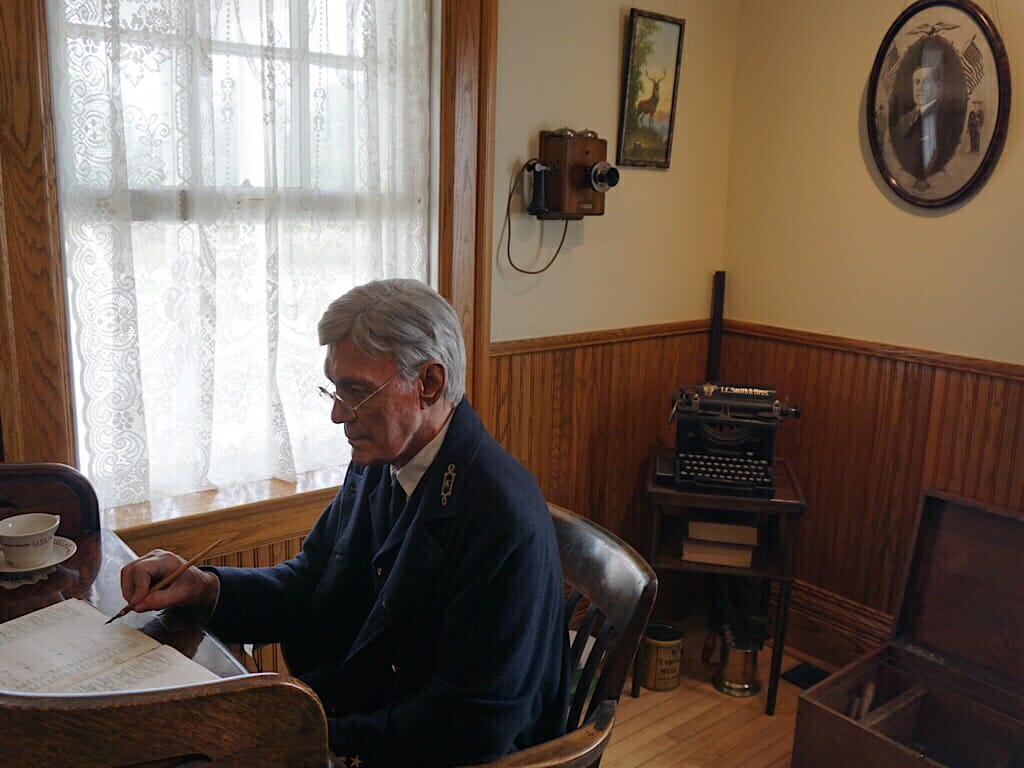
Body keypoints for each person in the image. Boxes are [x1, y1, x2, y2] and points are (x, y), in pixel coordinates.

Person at [119, 279, 570, 768]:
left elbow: (469, 726)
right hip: (376, 711)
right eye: (334, 388)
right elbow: (311, 581)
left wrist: (303, 734)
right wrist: (201, 588)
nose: (337, 413)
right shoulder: (381, 458)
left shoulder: (499, 516)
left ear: (429, 384)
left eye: (355, 391)